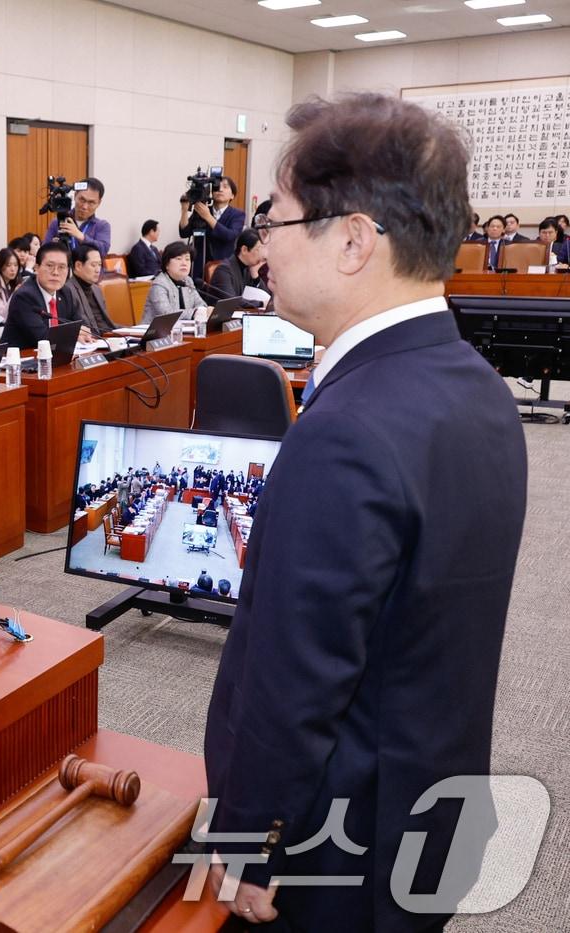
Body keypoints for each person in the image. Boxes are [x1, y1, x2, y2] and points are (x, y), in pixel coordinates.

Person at [204, 93, 527, 931]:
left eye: (272, 221)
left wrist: (247, 842)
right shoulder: (478, 387)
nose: (257, 247)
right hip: (431, 812)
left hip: (339, 857)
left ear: (352, 240)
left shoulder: (347, 430)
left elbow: (293, 680)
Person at [1, 240, 88, 349]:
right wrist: (74, 334)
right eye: (50, 266)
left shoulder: (65, 292)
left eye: (61, 267)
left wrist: (84, 331)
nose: (55, 272)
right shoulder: (24, 296)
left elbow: (80, 324)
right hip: (20, 361)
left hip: (55, 358)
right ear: (36, 268)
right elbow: (43, 339)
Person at [179, 175, 244, 266]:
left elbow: (229, 236)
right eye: (217, 187)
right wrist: (184, 210)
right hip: (199, 264)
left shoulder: (237, 214)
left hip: (223, 265)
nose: (220, 190)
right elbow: (184, 232)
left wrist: (208, 217)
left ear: (232, 195)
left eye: (225, 187)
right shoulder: (202, 210)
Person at [140, 241, 204, 325]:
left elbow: (200, 303)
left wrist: (204, 310)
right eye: (179, 259)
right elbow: (166, 313)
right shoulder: (159, 284)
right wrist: (194, 313)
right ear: (167, 264)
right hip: (154, 334)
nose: (184, 263)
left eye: (187, 259)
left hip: (182, 331)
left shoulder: (188, 281)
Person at [43, 177, 111, 254]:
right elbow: (44, 251)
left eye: (91, 202)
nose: (85, 206)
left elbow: (103, 249)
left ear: (99, 203)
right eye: (82, 200)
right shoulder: (57, 222)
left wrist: (80, 236)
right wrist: (53, 245)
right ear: (75, 196)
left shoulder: (102, 225)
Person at [63, 243, 117, 335]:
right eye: (93, 265)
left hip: (110, 335)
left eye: (99, 265)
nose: (98, 270)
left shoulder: (97, 289)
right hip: (92, 340)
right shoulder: (67, 291)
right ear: (78, 266)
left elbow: (106, 323)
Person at [209, 228, 268, 301]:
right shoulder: (223, 270)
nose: (261, 255)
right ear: (244, 250)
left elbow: (266, 298)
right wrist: (260, 303)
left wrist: (255, 275)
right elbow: (232, 301)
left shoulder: (249, 269)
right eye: (258, 249)